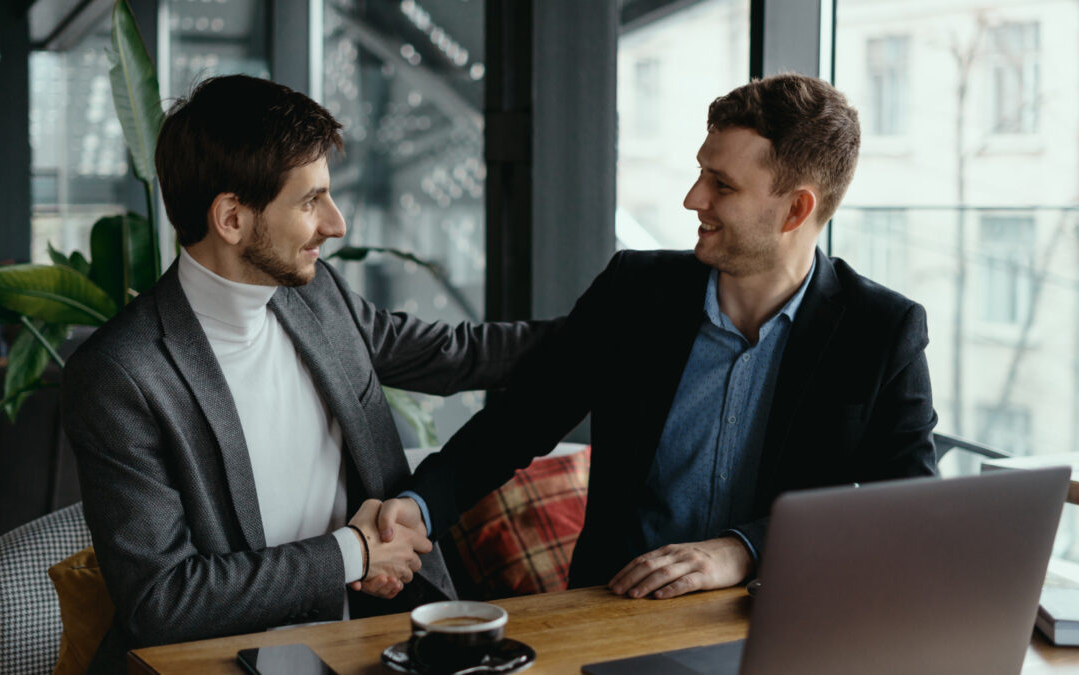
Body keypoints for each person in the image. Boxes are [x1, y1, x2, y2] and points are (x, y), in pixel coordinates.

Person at [379, 73, 938, 601]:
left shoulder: (882, 331)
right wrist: (419, 507)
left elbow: (910, 514)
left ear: (796, 209)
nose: (694, 199)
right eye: (701, 173)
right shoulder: (634, 290)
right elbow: (518, 420)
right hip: (616, 613)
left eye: (722, 185)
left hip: (785, 621)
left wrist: (746, 549)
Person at [61, 74, 549, 673]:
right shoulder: (120, 375)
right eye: (310, 201)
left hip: (367, 647)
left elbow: (456, 354)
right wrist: (353, 554)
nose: (336, 224)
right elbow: (164, 601)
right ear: (232, 218)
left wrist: (620, 316)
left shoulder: (316, 297)